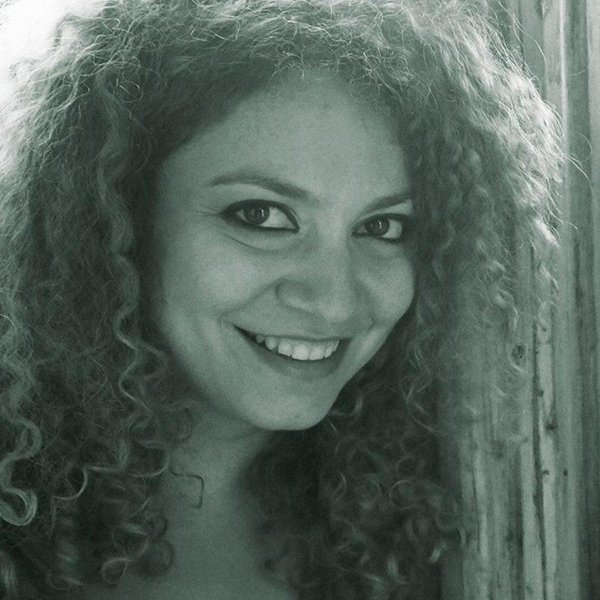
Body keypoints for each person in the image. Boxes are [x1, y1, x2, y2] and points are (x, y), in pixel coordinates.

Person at [0, 0, 562, 598]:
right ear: (110, 219)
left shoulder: (417, 526)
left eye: (383, 227)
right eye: (261, 216)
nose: (334, 302)